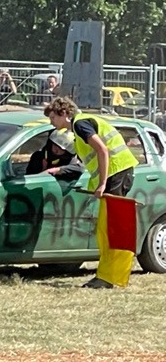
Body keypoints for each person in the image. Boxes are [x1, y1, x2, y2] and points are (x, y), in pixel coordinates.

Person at [45, 96, 139, 289]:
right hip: (117, 172)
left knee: (111, 228)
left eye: (52, 117)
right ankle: (109, 276)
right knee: (106, 229)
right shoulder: (78, 128)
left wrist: (103, 183)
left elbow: (102, 151)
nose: (51, 122)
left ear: (63, 113)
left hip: (116, 173)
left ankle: (109, 277)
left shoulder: (80, 124)